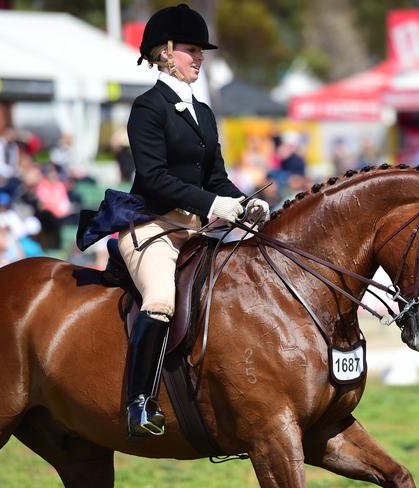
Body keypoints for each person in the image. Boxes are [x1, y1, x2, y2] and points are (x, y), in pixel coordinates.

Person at [119, 4, 269, 437]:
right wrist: (212, 203)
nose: (199, 58)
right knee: (162, 298)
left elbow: (217, 177)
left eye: (200, 51)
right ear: (164, 53)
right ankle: (140, 403)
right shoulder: (148, 108)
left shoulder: (202, 111)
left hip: (197, 228)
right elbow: (154, 177)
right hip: (152, 226)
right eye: (190, 50)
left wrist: (242, 202)